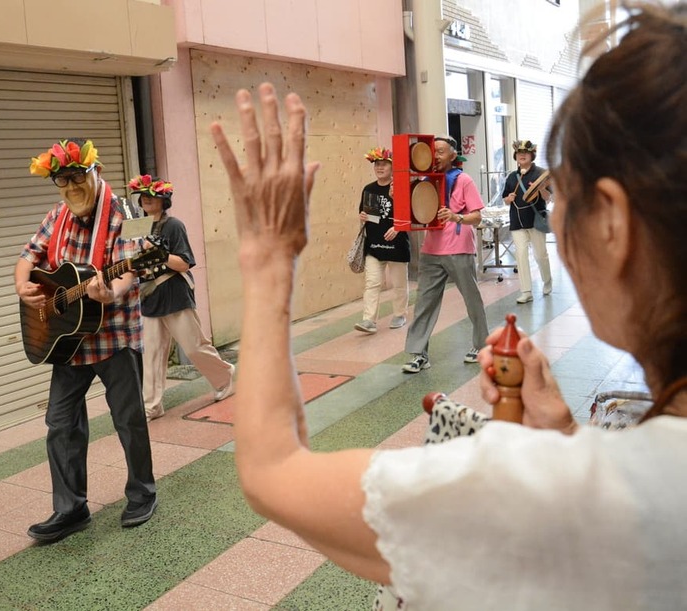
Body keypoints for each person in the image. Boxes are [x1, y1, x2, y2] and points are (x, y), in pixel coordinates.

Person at [209, 1, 687, 608]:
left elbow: (272, 471)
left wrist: (268, 261)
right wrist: (567, 432)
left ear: (614, 225)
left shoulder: (572, 499)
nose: (557, 213)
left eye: (563, 194)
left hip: (457, 248)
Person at [16, 138, 157, 542]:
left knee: (128, 420)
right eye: (63, 184)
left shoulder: (127, 212)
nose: (71, 191)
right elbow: (28, 256)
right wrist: (23, 285)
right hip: (68, 340)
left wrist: (113, 291)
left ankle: (142, 493)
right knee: (60, 425)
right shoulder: (57, 214)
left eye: (78, 180)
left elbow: (132, 267)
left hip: (114, 338)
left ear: (95, 173)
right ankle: (70, 509)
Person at [128, 174, 236, 421]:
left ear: (163, 200)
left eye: (152, 196)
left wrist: (158, 253)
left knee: (194, 345)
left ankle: (224, 376)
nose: (146, 200)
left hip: (174, 292)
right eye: (143, 196)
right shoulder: (135, 227)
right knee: (152, 353)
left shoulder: (173, 225)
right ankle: (151, 405)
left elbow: (184, 263)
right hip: (148, 297)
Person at [400, 135, 489, 373]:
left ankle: (482, 345)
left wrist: (456, 216)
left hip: (459, 248)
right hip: (431, 250)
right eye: (433, 151)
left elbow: (477, 216)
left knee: (472, 300)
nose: (436, 156)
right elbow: (411, 210)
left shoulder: (464, 180)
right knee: (424, 303)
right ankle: (419, 354)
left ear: (453, 155)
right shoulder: (426, 181)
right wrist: (395, 192)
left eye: (440, 151)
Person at [354, 148, 410, 334]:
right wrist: (363, 216)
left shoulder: (400, 187)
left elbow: (411, 215)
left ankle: (400, 314)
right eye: (377, 164)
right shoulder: (368, 189)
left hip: (397, 244)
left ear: (392, 167)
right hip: (374, 245)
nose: (379, 167)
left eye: (384, 164)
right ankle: (368, 320)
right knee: (372, 283)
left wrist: (398, 228)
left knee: (399, 284)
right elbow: (368, 214)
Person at [503, 140, 553, 304]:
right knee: (521, 255)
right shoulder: (512, 177)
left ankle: (547, 281)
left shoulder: (542, 174)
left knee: (540, 255)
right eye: (519, 153)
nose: (522, 155)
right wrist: (508, 199)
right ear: (515, 157)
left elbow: (549, 198)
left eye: (525, 153)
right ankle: (526, 291)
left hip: (535, 219)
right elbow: (505, 199)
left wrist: (542, 189)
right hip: (517, 221)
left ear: (532, 155)